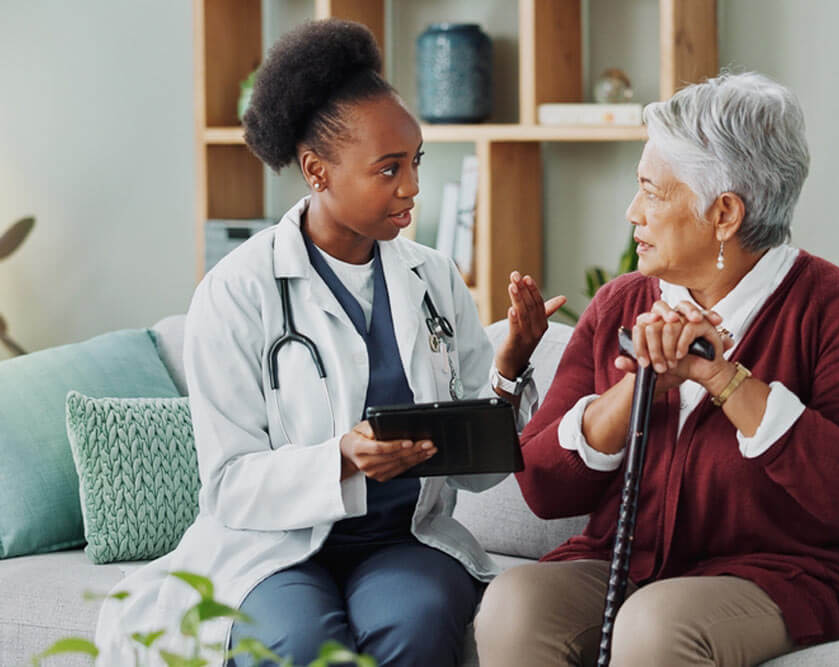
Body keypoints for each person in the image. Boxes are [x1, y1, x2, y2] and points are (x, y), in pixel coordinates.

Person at [94, 19, 563, 667]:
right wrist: (340, 457)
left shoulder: (432, 277)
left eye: (416, 161)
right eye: (388, 169)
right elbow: (229, 484)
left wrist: (509, 370)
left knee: (418, 625)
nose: (413, 187)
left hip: (403, 539)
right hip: (274, 547)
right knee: (302, 646)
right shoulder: (236, 291)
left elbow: (480, 473)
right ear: (317, 170)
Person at [474, 71, 839, 667]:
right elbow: (543, 487)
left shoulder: (833, 305)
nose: (632, 213)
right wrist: (639, 384)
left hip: (785, 576)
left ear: (724, 213)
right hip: (629, 563)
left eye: (652, 192)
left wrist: (722, 378)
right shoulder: (620, 304)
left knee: (655, 625)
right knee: (515, 602)